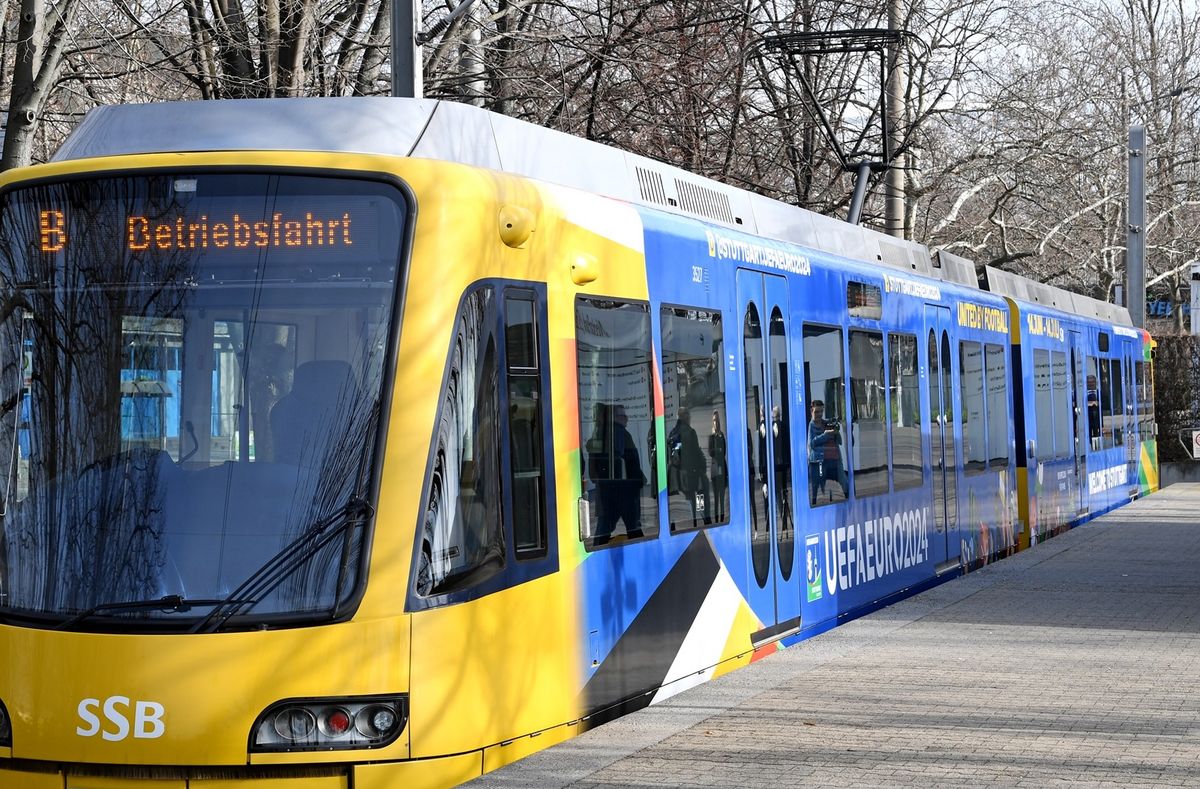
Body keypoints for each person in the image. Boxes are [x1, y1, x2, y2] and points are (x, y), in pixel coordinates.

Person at [667, 407, 710, 526]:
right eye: (689, 416)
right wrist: (702, 467)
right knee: (699, 494)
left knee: (686, 499)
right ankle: (702, 518)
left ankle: (684, 522)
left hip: (677, 476)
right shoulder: (690, 432)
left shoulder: (672, 433)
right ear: (685, 417)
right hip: (691, 473)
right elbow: (695, 453)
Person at [808, 399, 846, 503]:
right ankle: (814, 504)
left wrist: (835, 432)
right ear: (811, 411)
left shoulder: (826, 423)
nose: (819, 414)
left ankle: (851, 503)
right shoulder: (811, 425)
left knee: (845, 483)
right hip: (819, 462)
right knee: (816, 489)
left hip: (834, 459)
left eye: (821, 411)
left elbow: (840, 441)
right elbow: (812, 443)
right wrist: (825, 435)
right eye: (816, 412)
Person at [708, 410, 728, 522]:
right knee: (716, 497)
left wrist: (719, 450)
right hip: (715, 470)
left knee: (722, 496)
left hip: (722, 468)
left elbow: (724, 451)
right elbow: (710, 452)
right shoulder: (712, 436)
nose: (715, 423)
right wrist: (718, 449)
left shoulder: (722, 435)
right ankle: (716, 519)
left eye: (716, 420)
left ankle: (722, 518)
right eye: (714, 421)